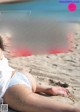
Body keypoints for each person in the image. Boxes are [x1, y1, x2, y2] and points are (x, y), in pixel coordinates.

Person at [0, 35, 79, 112]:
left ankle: (44, 89)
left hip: (12, 91)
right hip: (22, 76)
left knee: (69, 110)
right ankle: (45, 89)